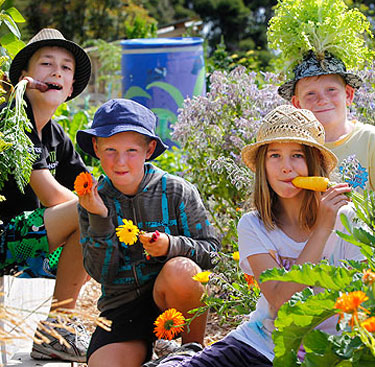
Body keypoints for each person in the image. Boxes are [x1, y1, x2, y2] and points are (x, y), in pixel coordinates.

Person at [144, 104, 364, 367]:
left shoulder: (348, 220)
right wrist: (322, 230)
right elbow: (282, 301)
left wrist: (328, 223)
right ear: (262, 165)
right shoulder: (253, 225)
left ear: (314, 162)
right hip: (257, 345)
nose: (286, 168)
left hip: (325, 354)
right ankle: (183, 356)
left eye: (297, 155)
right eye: (275, 156)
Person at [75, 98, 220, 367]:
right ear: (96, 147)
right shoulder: (93, 200)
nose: (120, 161)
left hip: (172, 301)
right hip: (123, 308)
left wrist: (171, 246)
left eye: (131, 150)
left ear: (149, 149)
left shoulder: (177, 191)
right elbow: (101, 273)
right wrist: (99, 217)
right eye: (110, 149)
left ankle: (192, 351)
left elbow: (212, 254)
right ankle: (149, 350)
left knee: (182, 270)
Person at [0, 28, 92, 362]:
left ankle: (65, 328)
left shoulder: (56, 136)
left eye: (66, 68)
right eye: (46, 64)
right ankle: (58, 329)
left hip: (29, 245)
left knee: (101, 222)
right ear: (24, 78)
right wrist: (100, 212)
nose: (56, 72)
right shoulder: (11, 119)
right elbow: (54, 196)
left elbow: (87, 186)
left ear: (69, 89)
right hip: (5, 238)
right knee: (91, 215)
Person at [277, 51, 375, 191]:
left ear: (348, 94)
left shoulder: (370, 140)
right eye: (310, 93)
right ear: (297, 104)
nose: (322, 100)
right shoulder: (294, 148)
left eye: (331, 89)